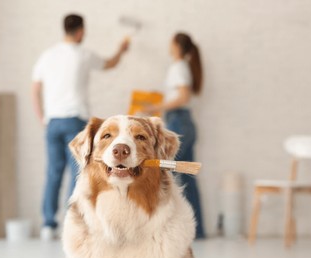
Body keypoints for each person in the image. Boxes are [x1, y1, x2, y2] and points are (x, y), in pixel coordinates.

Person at [31, 14, 129, 240]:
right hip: (75, 121)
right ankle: (71, 221)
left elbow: (35, 89)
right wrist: (121, 49)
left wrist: (43, 118)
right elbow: (110, 63)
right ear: (81, 31)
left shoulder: (47, 56)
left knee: (53, 173)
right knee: (78, 173)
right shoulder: (84, 54)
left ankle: (48, 224)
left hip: (52, 122)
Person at [144, 32, 205, 239]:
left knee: (163, 172)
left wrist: (156, 106)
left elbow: (183, 96)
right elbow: (179, 95)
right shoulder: (182, 67)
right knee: (186, 173)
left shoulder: (178, 67)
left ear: (178, 46)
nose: (169, 45)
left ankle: (159, 229)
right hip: (184, 122)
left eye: (171, 42)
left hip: (179, 122)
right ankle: (198, 230)